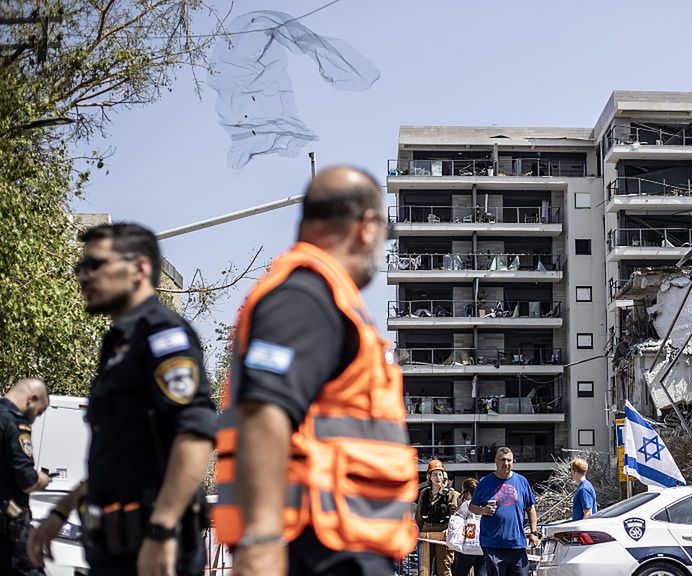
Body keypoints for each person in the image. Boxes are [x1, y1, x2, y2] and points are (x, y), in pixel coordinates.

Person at [212, 166, 418, 576]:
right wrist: (261, 543)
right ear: (367, 227)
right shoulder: (307, 296)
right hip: (315, 548)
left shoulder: (324, 298)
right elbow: (263, 413)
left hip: (335, 545)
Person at [27, 223, 217, 575]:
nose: (83, 276)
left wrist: (162, 530)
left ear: (140, 269)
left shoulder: (163, 335)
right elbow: (118, 457)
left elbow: (195, 434)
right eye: (80, 267)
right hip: (111, 550)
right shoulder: (116, 344)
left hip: (152, 548)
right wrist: (61, 511)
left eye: (95, 265)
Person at [1, 378, 51, 576]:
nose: (34, 419)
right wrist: (41, 479)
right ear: (31, 399)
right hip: (9, 528)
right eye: (38, 412)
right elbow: (27, 480)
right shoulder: (15, 423)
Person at [469, 447, 539, 576]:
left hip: (517, 544)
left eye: (509, 460)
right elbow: (472, 506)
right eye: (502, 460)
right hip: (492, 544)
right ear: (496, 461)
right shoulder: (485, 482)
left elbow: (531, 508)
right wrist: (483, 510)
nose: (505, 463)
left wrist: (534, 533)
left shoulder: (522, 481)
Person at [417, 460, 459, 576]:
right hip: (426, 533)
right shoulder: (424, 494)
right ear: (429, 476)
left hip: (443, 533)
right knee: (424, 569)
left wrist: (450, 532)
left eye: (440, 474)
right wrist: (418, 532)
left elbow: (457, 518)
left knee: (443, 568)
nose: (438, 477)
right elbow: (419, 516)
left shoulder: (452, 494)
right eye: (434, 474)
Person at [450, 478, 484, 576]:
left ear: (467, 492)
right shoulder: (484, 505)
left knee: (460, 573)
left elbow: (456, 521)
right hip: (482, 547)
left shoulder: (467, 504)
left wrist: (459, 506)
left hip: (467, 548)